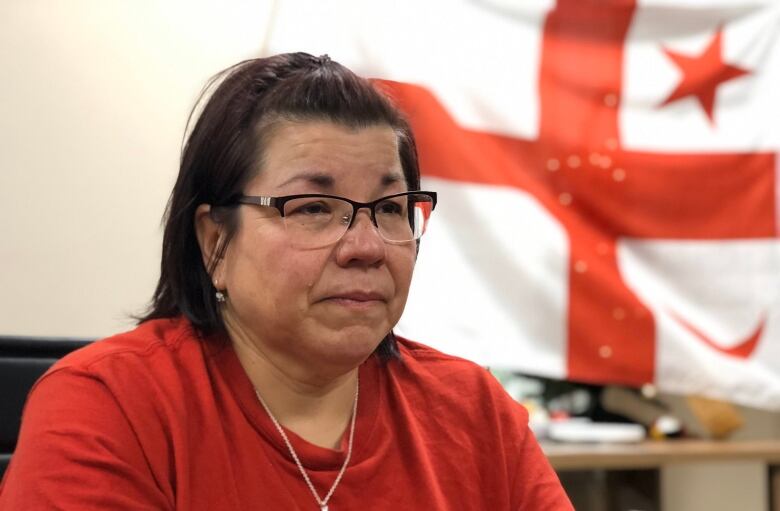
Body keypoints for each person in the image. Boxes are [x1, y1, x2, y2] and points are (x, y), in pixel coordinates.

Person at [0, 52, 572, 510]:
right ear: (214, 241)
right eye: (313, 208)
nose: (367, 247)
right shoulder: (109, 407)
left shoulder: (473, 411)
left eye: (392, 208)